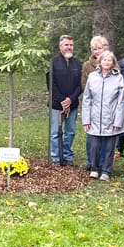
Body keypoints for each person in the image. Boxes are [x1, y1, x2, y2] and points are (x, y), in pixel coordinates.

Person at [81, 51, 124, 182]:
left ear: (113, 63)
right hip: (94, 117)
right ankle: (94, 169)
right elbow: (87, 99)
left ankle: (106, 170)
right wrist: (86, 120)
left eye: (109, 60)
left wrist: (118, 121)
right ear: (100, 62)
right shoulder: (93, 76)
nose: (106, 62)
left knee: (109, 147)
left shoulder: (118, 78)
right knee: (94, 146)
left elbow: (120, 101)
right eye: (104, 60)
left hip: (111, 118)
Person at [46, 35, 82, 164]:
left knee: (70, 132)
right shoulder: (53, 62)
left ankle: (67, 156)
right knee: (55, 132)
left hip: (72, 105)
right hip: (57, 104)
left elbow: (80, 85)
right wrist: (62, 100)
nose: (69, 47)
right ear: (60, 46)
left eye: (71, 45)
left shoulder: (77, 64)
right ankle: (55, 157)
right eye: (66, 45)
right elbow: (51, 84)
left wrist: (70, 100)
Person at [81, 36, 110, 169]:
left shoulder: (113, 64)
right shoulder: (87, 66)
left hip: (108, 107)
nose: (97, 51)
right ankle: (91, 162)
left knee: (105, 137)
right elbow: (84, 86)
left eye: (99, 48)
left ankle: (104, 163)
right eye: (94, 49)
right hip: (93, 106)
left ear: (106, 48)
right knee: (91, 136)